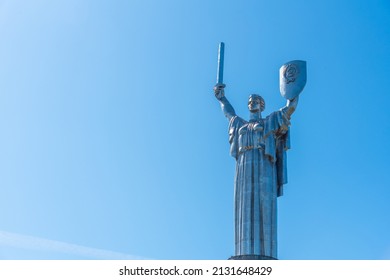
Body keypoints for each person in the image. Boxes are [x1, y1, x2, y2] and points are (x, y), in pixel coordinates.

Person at [214, 83, 298, 259]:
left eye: (257, 101)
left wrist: (293, 91)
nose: (253, 102)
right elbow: (228, 113)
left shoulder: (269, 121)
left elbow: (289, 109)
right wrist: (222, 98)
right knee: (244, 208)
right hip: (243, 168)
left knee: (264, 207)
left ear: (262, 105)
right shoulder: (239, 125)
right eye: (251, 101)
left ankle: (266, 255)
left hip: (264, 165)